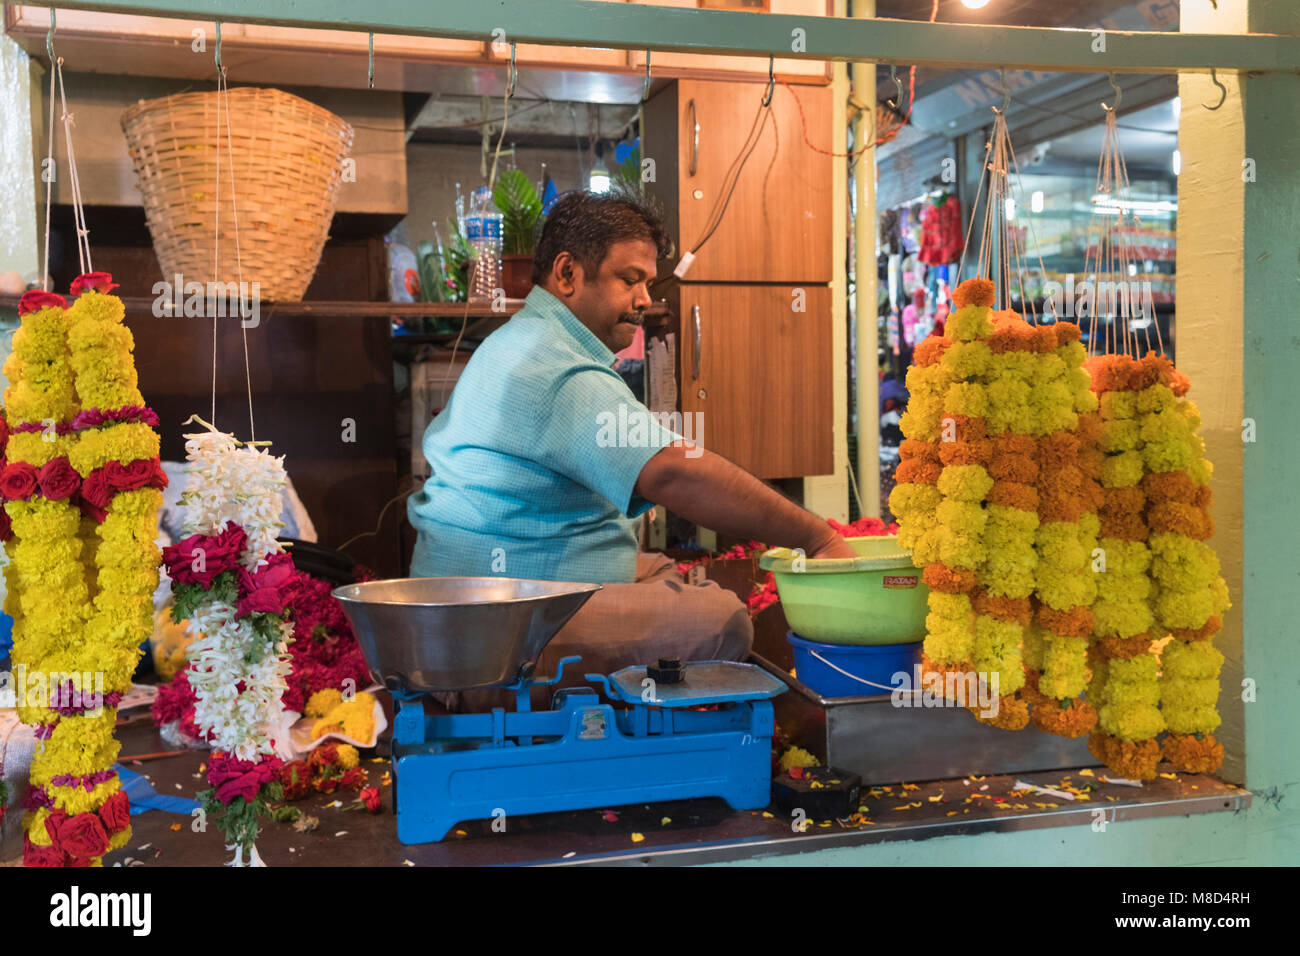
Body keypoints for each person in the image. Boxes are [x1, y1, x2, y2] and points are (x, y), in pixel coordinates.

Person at [407, 189, 855, 708]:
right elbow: (672, 474)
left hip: (478, 595)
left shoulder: (527, 339)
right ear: (568, 274)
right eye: (629, 279)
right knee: (723, 619)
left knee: (662, 569)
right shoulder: (554, 367)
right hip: (490, 628)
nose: (645, 299)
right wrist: (817, 538)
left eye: (646, 281)